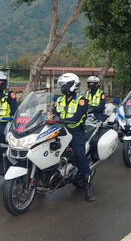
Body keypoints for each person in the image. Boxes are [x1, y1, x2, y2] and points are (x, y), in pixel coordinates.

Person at [52, 73, 95, 202]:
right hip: (60, 131)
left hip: (75, 132)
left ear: (73, 85)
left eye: (65, 84)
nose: (63, 87)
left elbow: (78, 117)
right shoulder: (59, 100)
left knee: (80, 156)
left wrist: (62, 119)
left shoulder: (81, 100)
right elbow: (53, 113)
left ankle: (87, 185)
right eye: (62, 85)